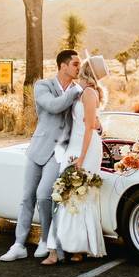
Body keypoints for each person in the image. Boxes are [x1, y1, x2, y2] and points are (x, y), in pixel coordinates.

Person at [0, 49, 82, 262]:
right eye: (75, 64)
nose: (78, 68)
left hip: (59, 152)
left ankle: (46, 240)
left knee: (45, 195)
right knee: (27, 197)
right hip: (37, 149)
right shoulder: (43, 86)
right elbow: (54, 107)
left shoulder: (79, 91)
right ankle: (18, 245)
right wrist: (75, 92)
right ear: (63, 66)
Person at [42, 51, 110, 265]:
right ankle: (61, 248)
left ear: (86, 71)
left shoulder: (89, 94)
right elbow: (94, 123)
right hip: (75, 145)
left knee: (80, 195)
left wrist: (81, 159)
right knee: (63, 194)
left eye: (81, 67)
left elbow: (89, 128)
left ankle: (77, 248)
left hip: (86, 149)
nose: (77, 69)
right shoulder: (80, 92)